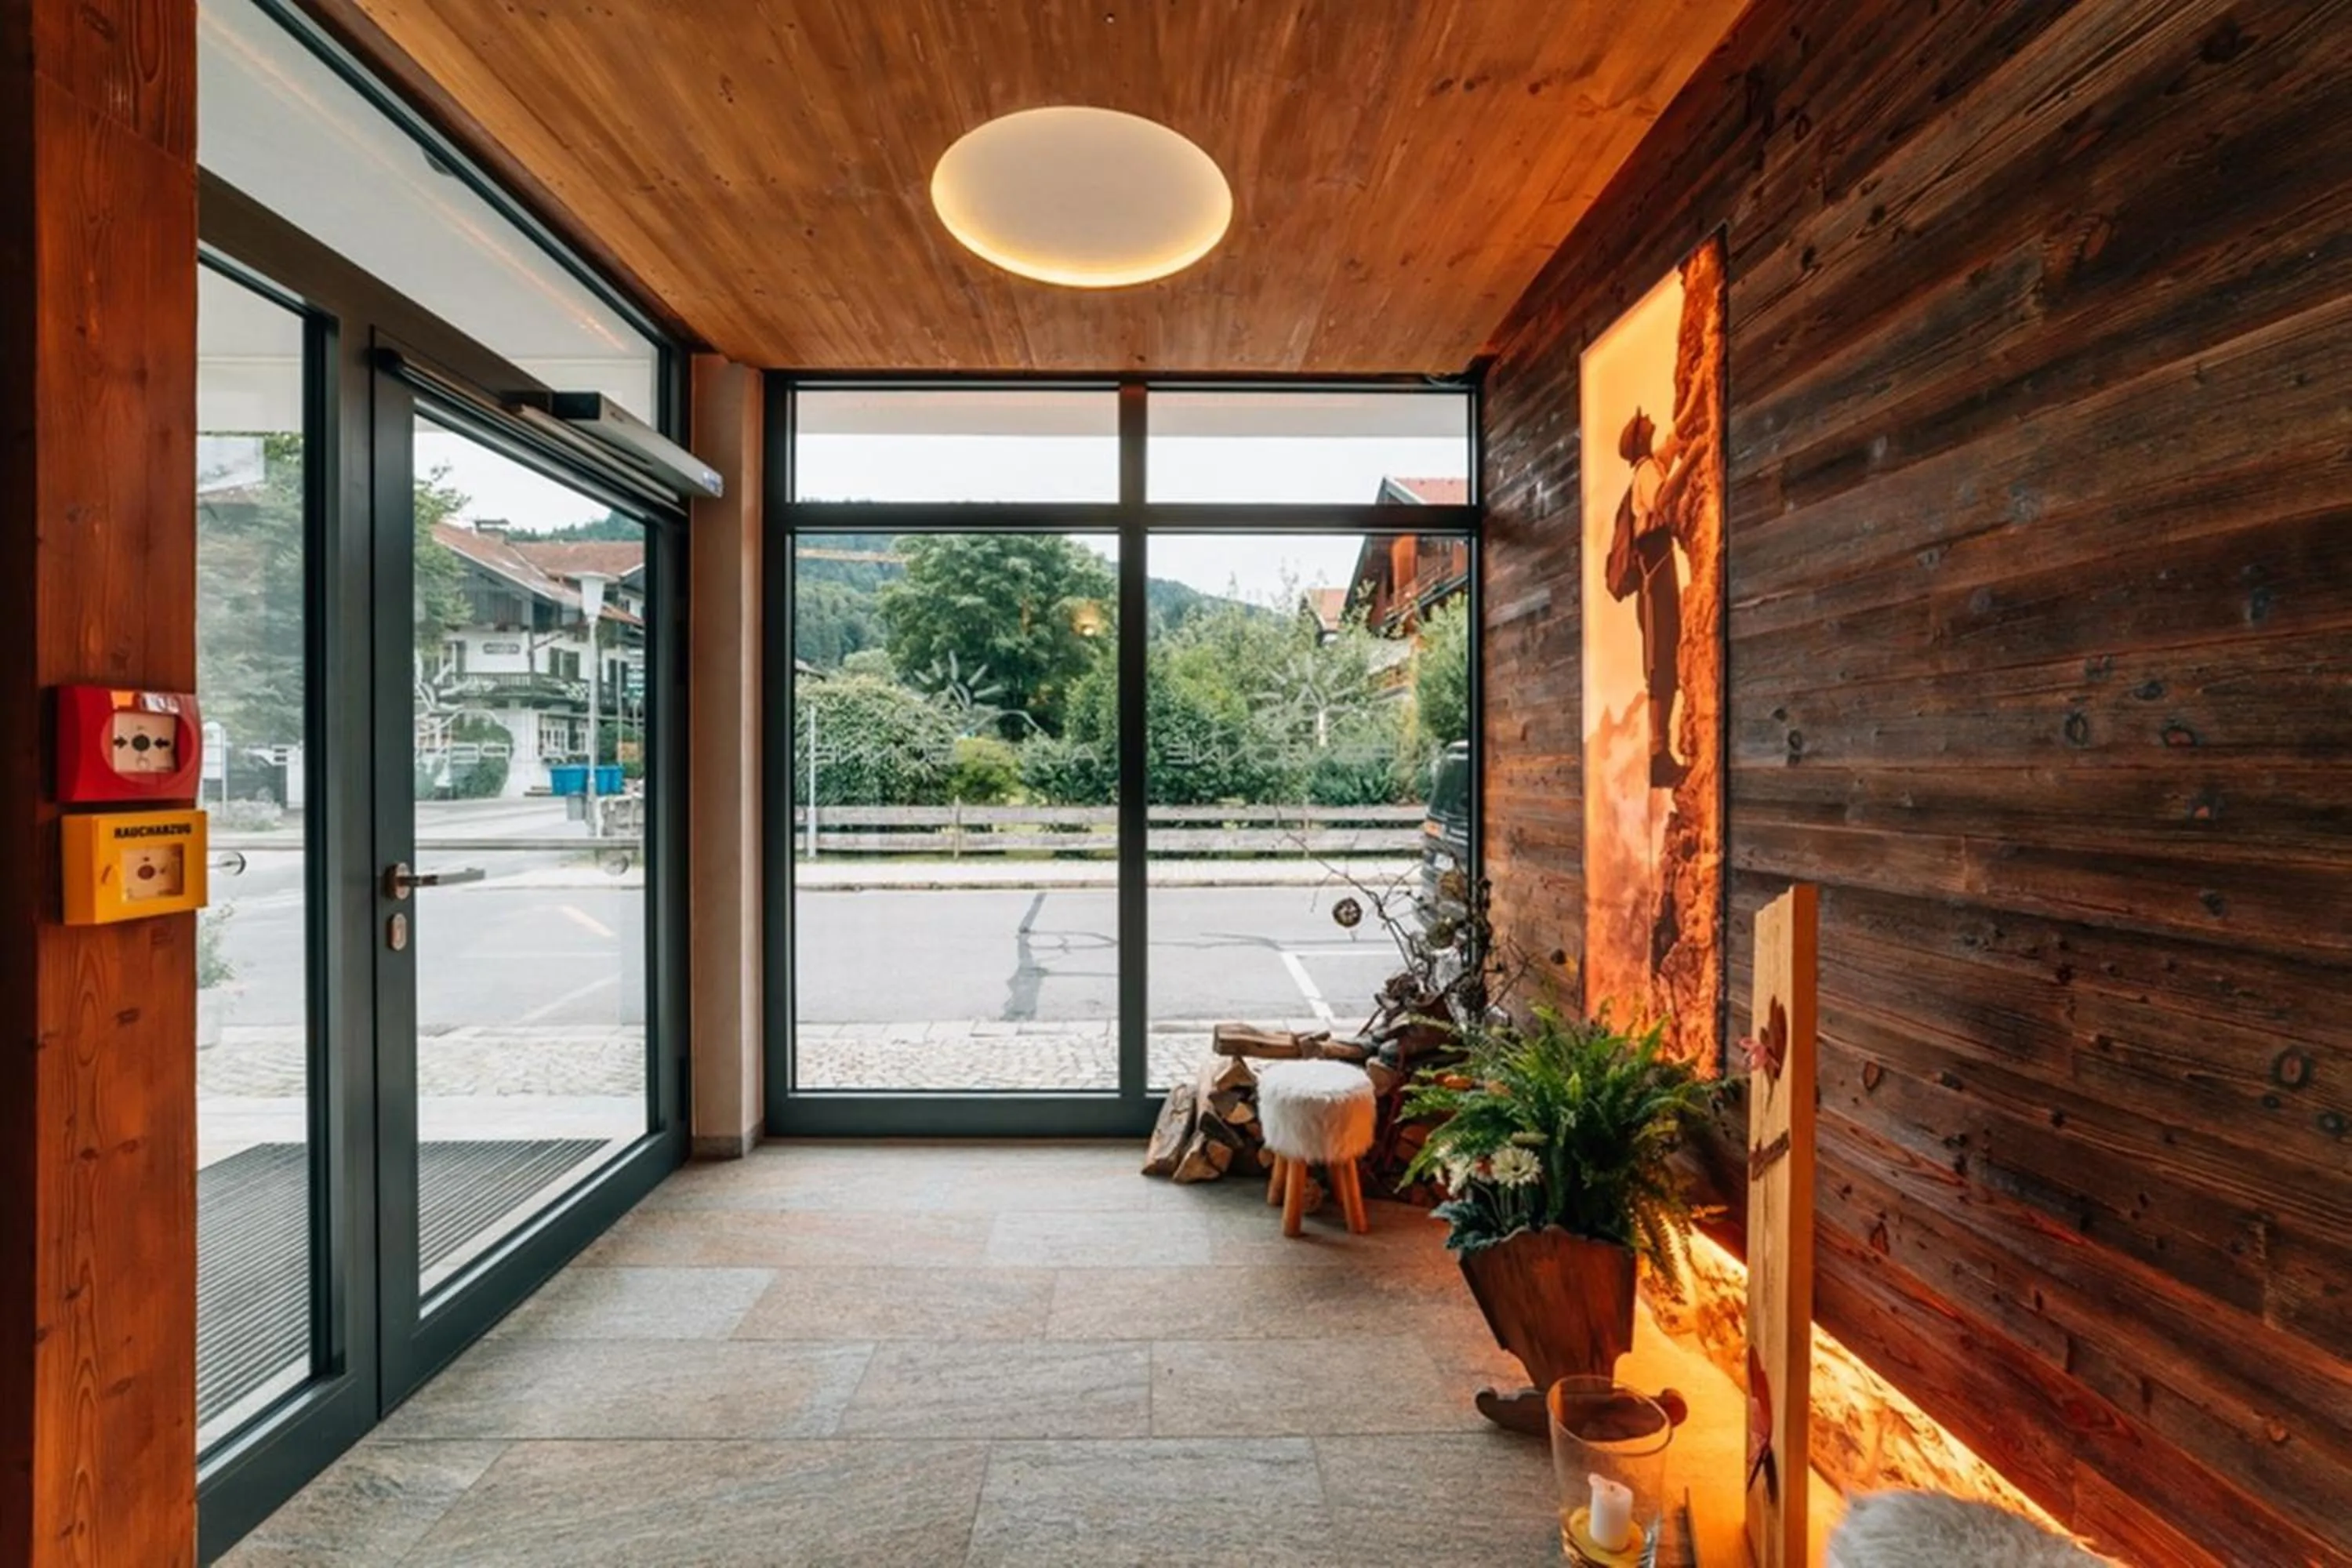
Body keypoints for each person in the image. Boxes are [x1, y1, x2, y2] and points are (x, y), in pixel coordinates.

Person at [1603, 407, 1690, 789]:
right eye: (1646, 423)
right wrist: (1699, 457)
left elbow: (1675, 439)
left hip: (1658, 574)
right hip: (1656, 575)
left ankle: (1661, 751)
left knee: (1664, 657)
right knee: (1660, 662)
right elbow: (1664, 498)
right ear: (1640, 437)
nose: (1652, 421)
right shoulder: (1646, 473)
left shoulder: (1651, 464)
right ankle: (1658, 752)